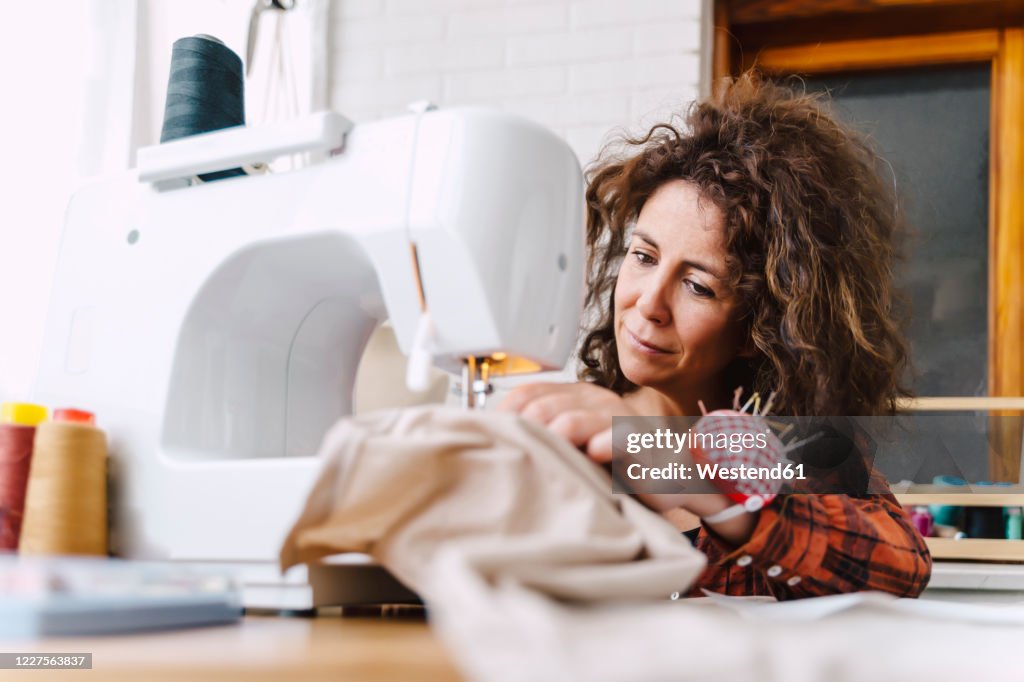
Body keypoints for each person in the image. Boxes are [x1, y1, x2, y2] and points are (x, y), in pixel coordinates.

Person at [498, 73, 932, 599]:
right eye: (644, 256)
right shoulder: (576, 436)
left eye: (698, 286)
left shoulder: (800, 460)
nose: (648, 303)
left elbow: (901, 565)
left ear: (758, 327)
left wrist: (711, 488)